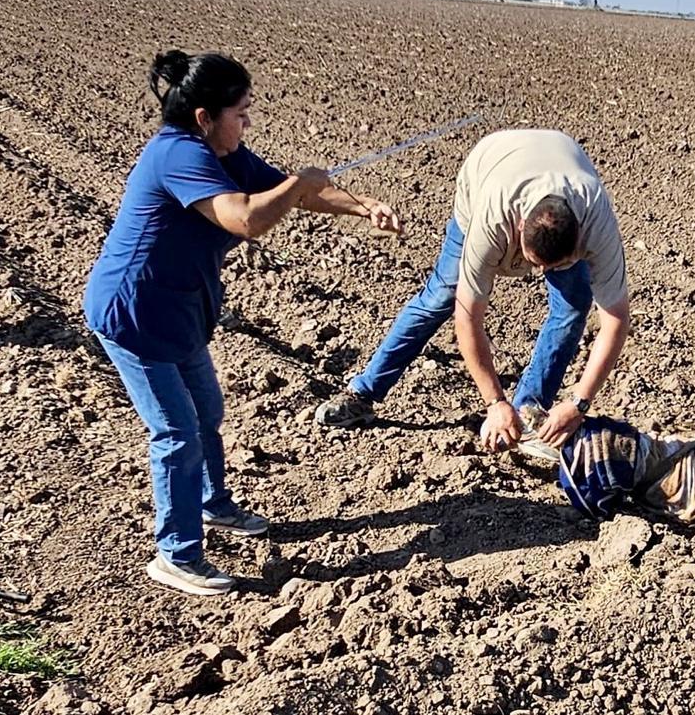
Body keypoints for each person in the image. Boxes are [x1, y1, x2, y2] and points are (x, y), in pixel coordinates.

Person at [84, 50, 402, 596]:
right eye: (241, 111)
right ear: (205, 117)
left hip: (180, 309)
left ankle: (213, 506)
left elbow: (294, 189)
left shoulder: (223, 152)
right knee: (176, 431)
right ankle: (176, 555)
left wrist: (361, 204)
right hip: (136, 312)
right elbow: (247, 218)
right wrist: (299, 180)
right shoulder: (178, 155)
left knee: (208, 410)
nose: (247, 121)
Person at [315, 129, 630, 455]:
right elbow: (467, 318)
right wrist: (494, 402)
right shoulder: (492, 218)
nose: (539, 274)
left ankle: (527, 414)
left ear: (579, 239)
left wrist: (579, 402)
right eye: (535, 263)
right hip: (489, 166)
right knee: (443, 295)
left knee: (573, 304)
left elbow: (617, 318)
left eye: (553, 266)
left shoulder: (596, 224)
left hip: (561, 159)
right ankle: (362, 394)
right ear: (519, 226)